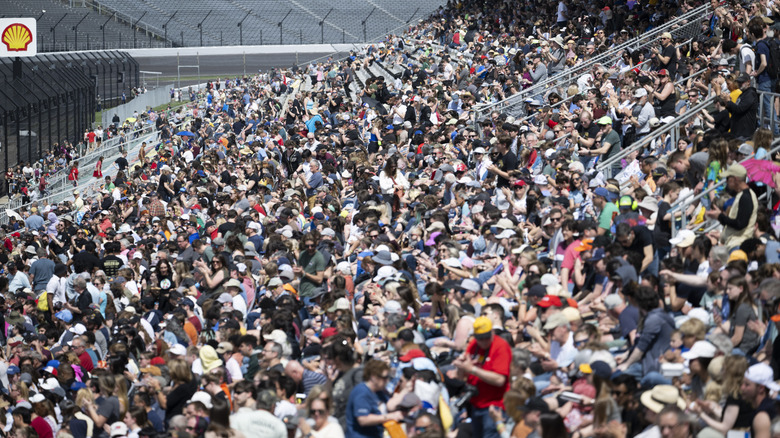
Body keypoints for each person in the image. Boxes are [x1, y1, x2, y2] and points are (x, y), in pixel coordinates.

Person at [453, 316, 511, 438]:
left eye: (487, 337)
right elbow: (460, 377)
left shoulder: (501, 346)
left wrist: (473, 370)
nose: (484, 341)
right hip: (476, 403)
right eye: (480, 338)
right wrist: (460, 366)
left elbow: (500, 380)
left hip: (494, 405)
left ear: (492, 332)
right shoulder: (474, 345)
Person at [345, 360, 404, 438]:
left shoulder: (380, 392)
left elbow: (390, 406)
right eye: (385, 377)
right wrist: (389, 416)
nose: (387, 381)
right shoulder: (361, 392)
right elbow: (363, 419)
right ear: (374, 377)